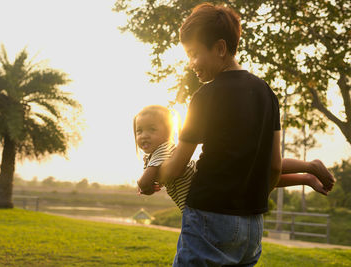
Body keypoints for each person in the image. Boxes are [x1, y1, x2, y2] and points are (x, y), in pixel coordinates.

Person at [138, 3, 335, 266]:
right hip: (252, 226)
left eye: (195, 54)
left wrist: (153, 178)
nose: (191, 64)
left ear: (220, 48)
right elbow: (273, 165)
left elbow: (177, 166)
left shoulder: (205, 96)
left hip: (209, 216)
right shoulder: (267, 93)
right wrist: (249, 202)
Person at [135, 105, 333, 213]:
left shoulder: (163, 149)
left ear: (168, 133)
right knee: (257, 178)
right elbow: (155, 182)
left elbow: (145, 182)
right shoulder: (155, 155)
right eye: (139, 131)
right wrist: (151, 187)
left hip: (209, 187)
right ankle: (306, 177)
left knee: (260, 169)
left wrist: (144, 186)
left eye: (152, 130)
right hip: (209, 190)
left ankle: (309, 166)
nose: (144, 135)